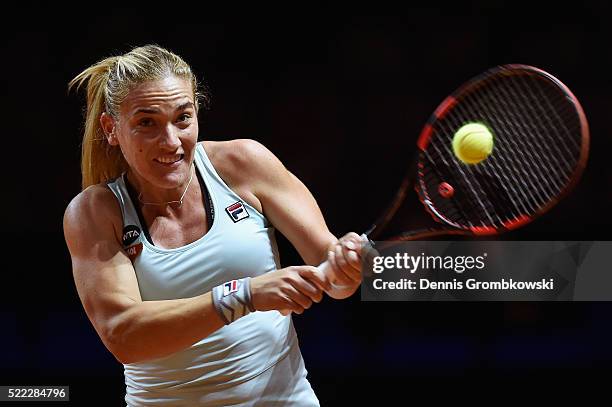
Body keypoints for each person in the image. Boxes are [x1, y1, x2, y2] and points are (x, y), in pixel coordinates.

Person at [63, 44, 364, 406]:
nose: (171, 141)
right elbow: (124, 336)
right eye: (147, 123)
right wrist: (245, 295)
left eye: (183, 118)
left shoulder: (244, 163)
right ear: (111, 129)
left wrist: (345, 266)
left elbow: (333, 276)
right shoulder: (95, 212)